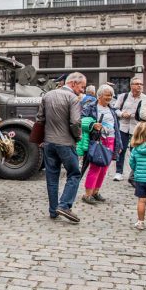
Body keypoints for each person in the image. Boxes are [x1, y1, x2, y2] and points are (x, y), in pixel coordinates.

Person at [36, 72, 87, 223]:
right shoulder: (73, 98)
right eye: (82, 87)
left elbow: (40, 118)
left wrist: (40, 138)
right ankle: (64, 205)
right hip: (65, 143)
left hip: (49, 143)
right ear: (73, 84)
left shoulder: (48, 95)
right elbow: (75, 122)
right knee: (75, 174)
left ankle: (53, 210)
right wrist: (78, 137)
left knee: (52, 177)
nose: (82, 90)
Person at [80, 84, 122, 205]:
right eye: (107, 95)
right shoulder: (90, 107)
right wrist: (93, 125)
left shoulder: (112, 109)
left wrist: (118, 146)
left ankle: (95, 192)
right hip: (98, 140)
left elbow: (116, 128)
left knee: (104, 168)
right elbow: (81, 119)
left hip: (111, 140)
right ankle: (87, 194)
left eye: (111, 95)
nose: (109, 97)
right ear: (99, 96)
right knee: (95, 167)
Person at [113, 77, 145, 181]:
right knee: (121, 150)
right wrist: (122, 114)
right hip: (123, 127)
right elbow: (115, 109)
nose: (139, 86)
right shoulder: (123, 96)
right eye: (136, 84)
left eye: (141, 84)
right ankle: (118, 172)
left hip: (138, 128)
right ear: (131, 85)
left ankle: (134, 173)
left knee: (135, 151)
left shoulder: (145, 98)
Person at [129, 122, 146, 230]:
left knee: (141, 201)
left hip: (140, 179)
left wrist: (137, 170)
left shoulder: (135, 149)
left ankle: (140, 222)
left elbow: (132, 163)